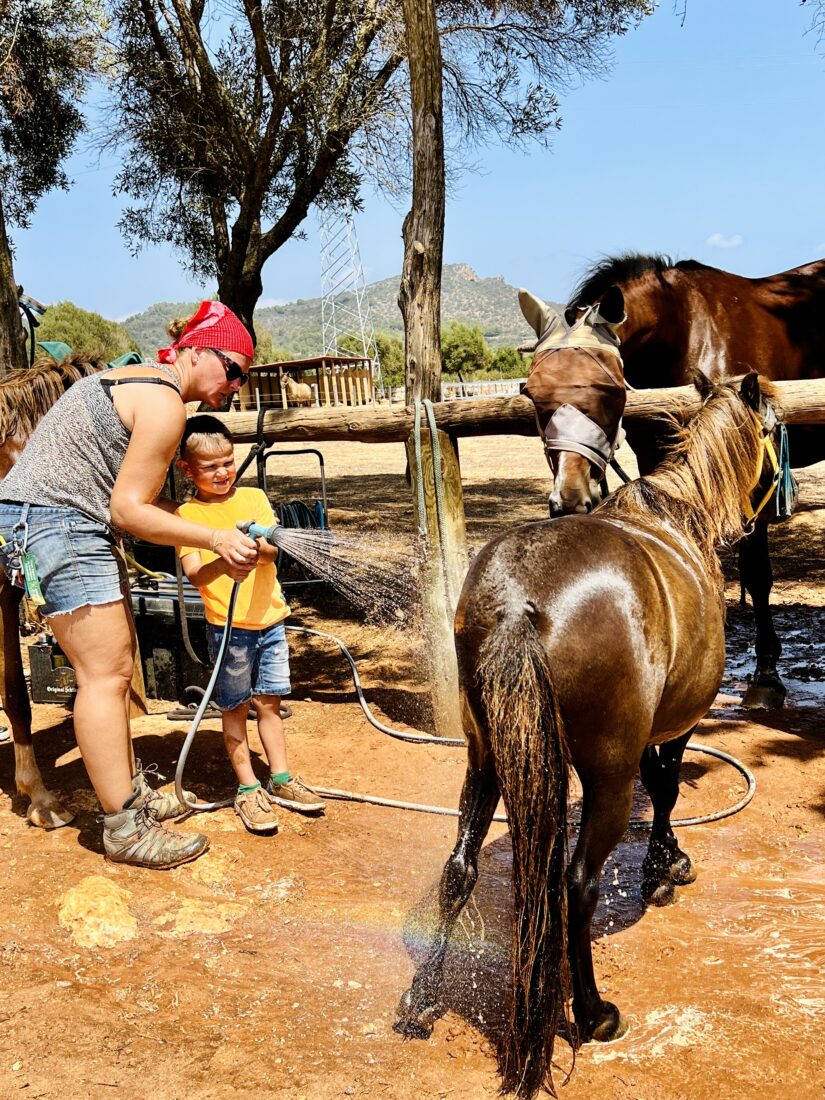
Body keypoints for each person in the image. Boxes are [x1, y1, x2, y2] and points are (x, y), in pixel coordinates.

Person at [0, 301, 261, 869]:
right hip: (60, 521)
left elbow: (133, 498)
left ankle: (130, 798)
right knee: (107, 672)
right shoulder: (166, 406)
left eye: (245, 377)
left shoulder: (138, 382)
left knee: (112, 672)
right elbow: (128, 510)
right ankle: (122, 827)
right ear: (194, 350)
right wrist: (214, 541)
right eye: (233, 369)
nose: (235, 386)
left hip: (50, 516)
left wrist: (212, 526)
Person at [175, 415, 326, 833]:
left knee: (270, 703)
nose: (223, 472)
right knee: (235, 707)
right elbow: (195, 574)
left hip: (270, 622)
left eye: (228, 461)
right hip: (229, 628)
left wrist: (252, 550)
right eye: (210, 466)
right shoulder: (187, 515)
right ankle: (247, 789)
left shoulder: (255, 497)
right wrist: (223, 561)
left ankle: (280, 778)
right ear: (187, 469)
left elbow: (272, 551)